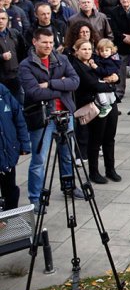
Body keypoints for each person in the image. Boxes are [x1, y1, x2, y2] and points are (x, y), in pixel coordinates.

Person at [19, 28, 83, 207]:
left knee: (67, 155)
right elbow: (34, 93)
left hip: (65, 115)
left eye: (51, 42)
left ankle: (69, 187)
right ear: (34, 42)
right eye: (44, 42)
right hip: (43, 118)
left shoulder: (61, 59)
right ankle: (35, 199)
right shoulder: (26, 65)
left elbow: (75, 82)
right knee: (39, 160)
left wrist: (50, 84)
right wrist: (62, 86)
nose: (48, 46)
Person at [68, 39, 121, 184]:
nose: (87, 52)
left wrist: (115, 78)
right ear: (76, 50)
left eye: (89, 49)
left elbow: (114, 72)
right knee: (95, 140)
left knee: (110, 137)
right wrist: (111, 84)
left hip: (110, 102)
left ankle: (110, 169)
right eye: (83, 49)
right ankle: (94, 172)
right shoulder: (76, 66)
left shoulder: (95, 61)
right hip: (93, 105)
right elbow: (92, 84)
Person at [0, 82, 30, 210]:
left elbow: (19, 118)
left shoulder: (3, 91)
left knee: (10, 190)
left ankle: (10, 222)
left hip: (7, 153)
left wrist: (24, 144)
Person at [0, 8, 26, 102]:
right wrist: (2, 57)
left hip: (15, 76)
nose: (1, 21)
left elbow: (22, 50)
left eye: (3, 18)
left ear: (7, 20)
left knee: (18, 104)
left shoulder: (14, 33)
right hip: (1, 78)